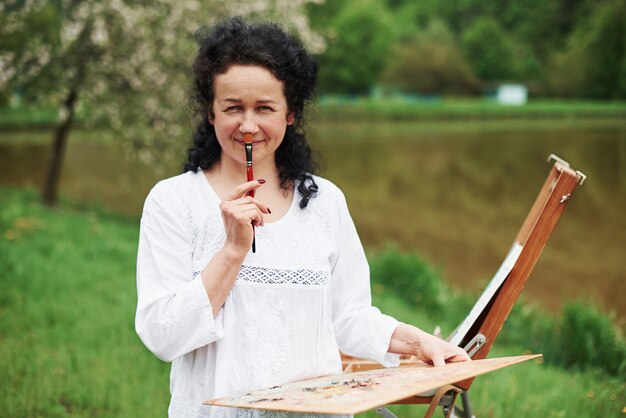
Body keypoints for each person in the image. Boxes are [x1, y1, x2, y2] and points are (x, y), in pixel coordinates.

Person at [135, 16, 470, 418]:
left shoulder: (326, 202)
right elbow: (162, 335)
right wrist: (231, 251)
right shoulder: (172, 201)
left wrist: (420, 344)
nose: (247, 125)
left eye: (264, 108)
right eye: (232, 108)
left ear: (290, 114)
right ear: (210, 112)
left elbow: (350, 316)